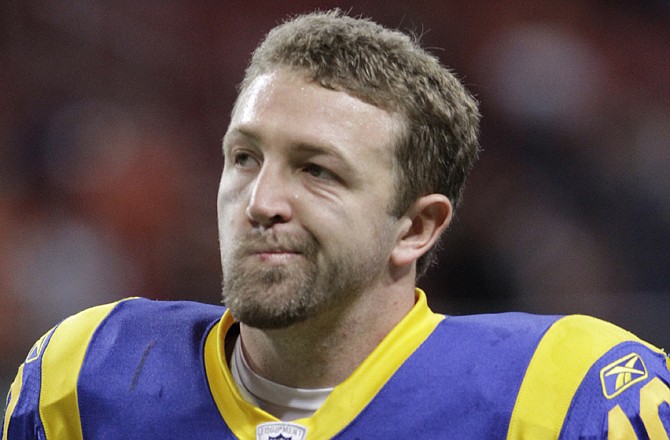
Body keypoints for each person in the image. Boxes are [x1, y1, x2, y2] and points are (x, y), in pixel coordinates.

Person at [3, 9, 669, 440]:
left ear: (415, 228)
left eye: (317, 171)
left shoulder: (566, 397)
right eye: (244, 158)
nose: (260, 201)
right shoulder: (86, 377)